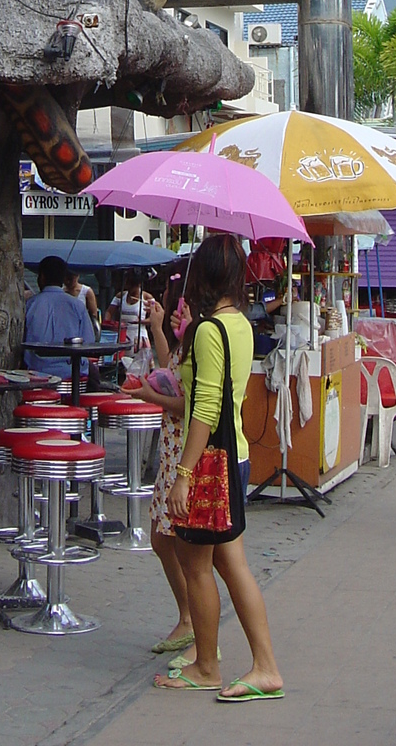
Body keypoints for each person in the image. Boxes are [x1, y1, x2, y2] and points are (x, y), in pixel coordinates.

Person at [155, 233, 284, 703]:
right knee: (233, 565)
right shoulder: (240, 324)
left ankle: (208, 665)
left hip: (211, 463)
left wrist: (183, 475)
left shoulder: (210, 330)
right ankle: (264, 666)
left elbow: (204, 407)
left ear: (204, 276)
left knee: (197, 566)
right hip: (236, 456)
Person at [129, 277, 192, 658]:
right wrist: (157, 329)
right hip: (172, 450)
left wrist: (148, 395)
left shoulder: (204, 335)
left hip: (182, 451)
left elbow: (190, 403)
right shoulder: (190, 337)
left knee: (180, 545)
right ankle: (190, 618)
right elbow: (172, 371)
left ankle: (193, 622)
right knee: (163, 538)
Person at [23, 255, 93, 379]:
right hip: (74, 374)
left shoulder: (30, 305)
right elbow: (89, 342)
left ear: (42, 277)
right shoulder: (78, 306)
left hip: (37, 374)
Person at [108, 279, 150, 351]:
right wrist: (109, 325)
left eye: (132, 286)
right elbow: (109, 312)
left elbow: (154, 319)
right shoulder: (120, 296)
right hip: (123, 334)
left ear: (138, 285)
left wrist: (141, 321)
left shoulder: (147, 297)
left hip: (139, 334)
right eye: (128, 286)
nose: (129, 288)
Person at [65, 269, 100, 341]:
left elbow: (94, 314)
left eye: (72, 278)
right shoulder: (62, 291)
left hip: (82, 326)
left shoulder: (87, 291)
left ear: (77, 276)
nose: (69, 282)